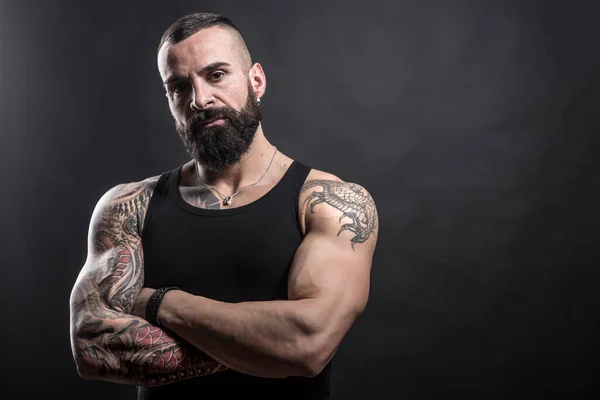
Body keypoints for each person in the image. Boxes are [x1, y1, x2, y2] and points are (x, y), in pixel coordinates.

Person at [69, 12, 379, 399]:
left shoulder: (330, 203)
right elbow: (92, 348)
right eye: (179, 87)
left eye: (216, 75)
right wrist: (264, 346)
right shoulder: (129, 207)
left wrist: (160, 302)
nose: (200, 100)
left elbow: (307, 344)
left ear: (256, 80)